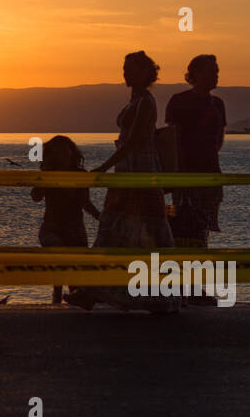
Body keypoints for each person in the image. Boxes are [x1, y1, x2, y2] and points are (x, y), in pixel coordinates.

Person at [67, 51, 177, 313]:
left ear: (146, 72)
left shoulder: (146, 102)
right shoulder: (137, 100)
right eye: (124, 69)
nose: (126, 74)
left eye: (131, 69)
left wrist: (104, 167)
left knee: (146, 232)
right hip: (128, 170)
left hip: (138, 172)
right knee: (113, 229)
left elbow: (135, 141)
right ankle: (95, 290)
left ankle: (159, 295)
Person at [164, 54, 226, 250]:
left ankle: (199, 265)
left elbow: (218, 139)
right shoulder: (179, 101)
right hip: (185, 174)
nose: (216, 76)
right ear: (196, 74)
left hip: (211, 172)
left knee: (204, 226)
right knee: (184, 225)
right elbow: (172, 139)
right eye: (211, 72)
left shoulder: (218, 104)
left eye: (216, 71)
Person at [31, 135, 100, 304]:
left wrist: (101, 218)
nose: (61, 155)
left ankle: (72, 298)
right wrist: (44, 175)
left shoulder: (80, 174)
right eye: (56, 152)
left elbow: (85, 202)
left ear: (71, 153)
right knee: (60, 254)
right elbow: (36, 196)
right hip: (51, 227)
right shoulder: (49, 173)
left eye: (64, 151)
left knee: (75, 270)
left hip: (74, 228)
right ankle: (57, 296)